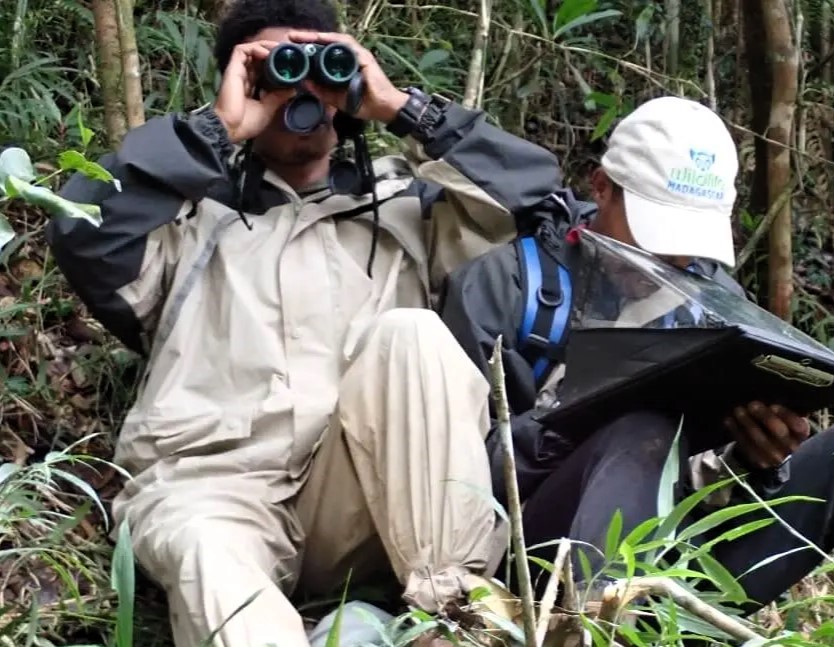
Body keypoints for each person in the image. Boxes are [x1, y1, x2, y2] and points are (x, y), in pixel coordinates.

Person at [46, 1, 570, 645]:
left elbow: (539, 200)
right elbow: (81, 230)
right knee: (210, 555)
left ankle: (459, 619)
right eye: (276, 70)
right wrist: (218, 127)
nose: (303, 91)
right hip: (213, 489)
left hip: (360, 495)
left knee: (412, 335)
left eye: (324, 69)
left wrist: (404, 108)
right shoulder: (187, 222)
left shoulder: (412, 208)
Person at [436, 96, 834, 613]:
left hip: (687, 558)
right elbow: (456, 477)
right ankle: (603, 635)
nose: (675, 258)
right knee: (641, 430)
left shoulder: (714, 303)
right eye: (657, 235)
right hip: (541, 558)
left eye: (687, 240)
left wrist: (759, 459)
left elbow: (717, 479)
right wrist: (580, 417)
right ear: (601, 188)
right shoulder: (511, 284)